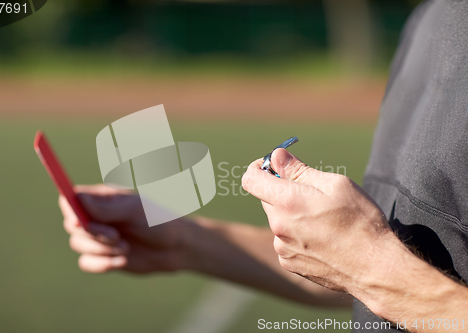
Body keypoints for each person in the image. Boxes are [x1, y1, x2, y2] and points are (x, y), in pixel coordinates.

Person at [59, 1, 468, 331]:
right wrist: (183, 240)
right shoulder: (431, 17)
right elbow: (401, 275)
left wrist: (372, 266)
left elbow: (383, 274)